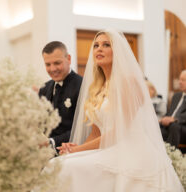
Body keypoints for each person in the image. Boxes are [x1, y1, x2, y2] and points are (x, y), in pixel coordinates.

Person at [51, 30, 183, 191]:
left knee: (66, 167)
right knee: (57, 164)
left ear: (118, 51)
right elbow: (96, 133)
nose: (99, 49)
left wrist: (76, 150)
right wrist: (74, 149)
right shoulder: (97, 87)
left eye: (106, 45)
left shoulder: (129, 82)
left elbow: (119, 133)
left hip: (131, 151)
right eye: (96, 45)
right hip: (109, 149)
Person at [39, 41, 82, 150]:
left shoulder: (82, 86)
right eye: (48, 64)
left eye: (57, 63)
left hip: (70, 152)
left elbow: (81, 129)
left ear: (68, 59)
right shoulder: (44, 88)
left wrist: (51, 142)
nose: (53, 69)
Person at [160, 70, 186, 148]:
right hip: (171, 126)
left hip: (182, 127)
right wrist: (163, 119)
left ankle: (171, 155)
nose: (180, 82)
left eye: (183, 80)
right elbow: (170, 113)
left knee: (174, 126)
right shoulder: (176, 96)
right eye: (180, 79)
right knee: (155, 126)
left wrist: (174, 119)